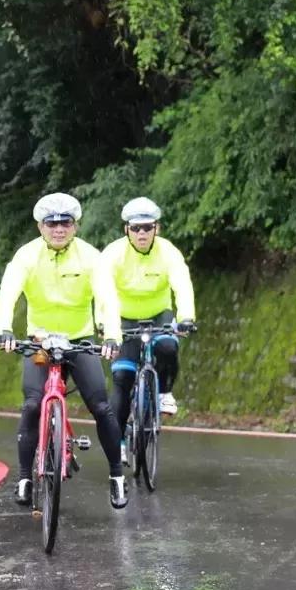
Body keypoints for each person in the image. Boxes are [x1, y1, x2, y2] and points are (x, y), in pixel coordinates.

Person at [0, 192, 128, 509]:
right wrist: (4, 329)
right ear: (40, 226)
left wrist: (111, 335)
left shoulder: (91, 257)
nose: (58, 228)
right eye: (51, 223)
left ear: (76, 225)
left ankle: (117, 478)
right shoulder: (26, 256)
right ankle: (26, 478)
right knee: (32, 404)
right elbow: (7, 293)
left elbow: (107, 298)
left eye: (65, 222)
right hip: (38, 342)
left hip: (79, 340)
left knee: (101, 406)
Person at [101, 197, 196, 460]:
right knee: (122, 379)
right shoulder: (113, 254)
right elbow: (103, 292)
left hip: (159, 314)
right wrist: (106, 327)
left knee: (167, 346)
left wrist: (186, 316)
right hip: (123, 318)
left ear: (157, 228)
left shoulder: (169, 252)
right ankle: (118, 443)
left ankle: (165, 392)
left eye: (147, 227)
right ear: (126, 230)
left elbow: (182, 283)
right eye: (135, 228)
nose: (141, 233)